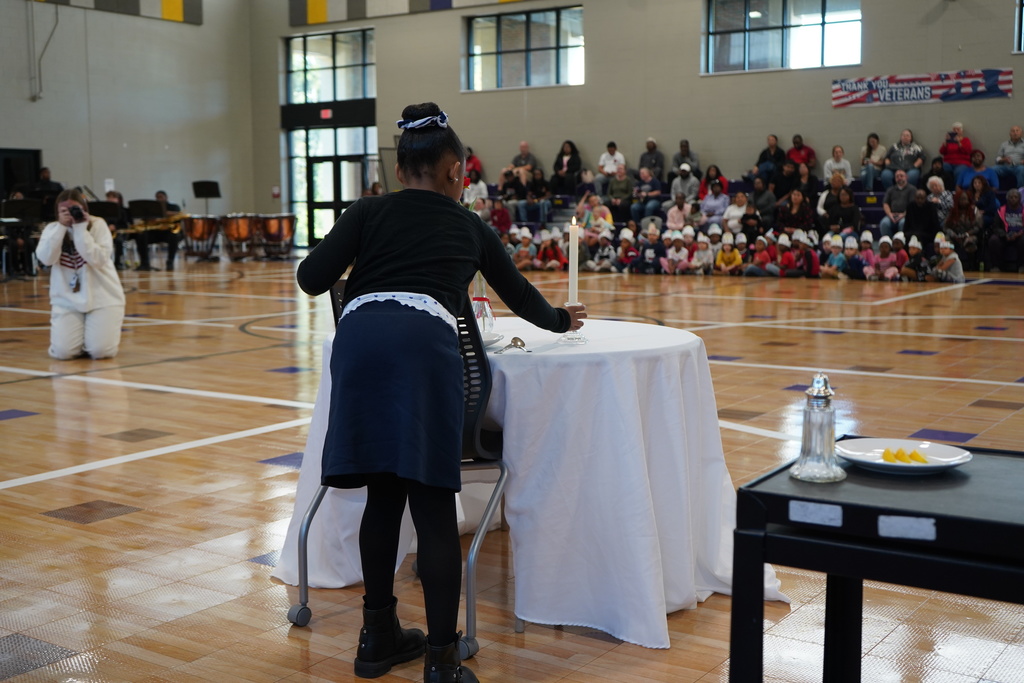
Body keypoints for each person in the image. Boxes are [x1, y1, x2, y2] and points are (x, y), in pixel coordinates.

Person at [295, 103, 585, 683]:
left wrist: (356, 238)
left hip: (358, 346)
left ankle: (376, 638)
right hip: (420, 352)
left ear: (400, 171)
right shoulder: (469, 225)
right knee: (431, 507)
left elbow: (310, 278)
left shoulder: (367, 211)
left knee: (382, 497)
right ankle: (442, 658)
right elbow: (519, 297)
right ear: (457, 173)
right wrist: (562, 320)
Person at [34, 189, 125, 360]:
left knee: (101, 352)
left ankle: (90, 340)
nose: (71, 214)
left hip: (103, 297)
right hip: (67, 300)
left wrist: (81, 229)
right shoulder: (52, 229)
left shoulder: (98, 225)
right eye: (64, 210)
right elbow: (46, 259)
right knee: (63, 353)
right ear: (57, 212)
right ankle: (82, 340)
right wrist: (61, 227)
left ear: (84, 208)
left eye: (74, 209)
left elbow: (97, 259)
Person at [989, 188, 1024, 272]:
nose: (1013, 199)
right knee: (993, 240)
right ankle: (996, 266)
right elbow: (995, 227)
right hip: (1005, 235)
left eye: (1015, 197)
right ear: (1007, 199)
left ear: (1019, 199)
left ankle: (1022, 266)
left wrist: (1019, 234)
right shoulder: (1001, 210)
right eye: (1011, 197)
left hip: (1019, 235)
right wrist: (1004, 235)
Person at [880, 170, 916, 237]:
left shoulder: (912, 189)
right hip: (892, 215)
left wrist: (903, 215)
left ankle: (901, 244)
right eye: (897, 176)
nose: (899, 178)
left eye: (901, 176)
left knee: (903, 223)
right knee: (884, 223)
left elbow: (912, 206)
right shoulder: (890, 189)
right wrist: (890, 214)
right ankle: (888, 244)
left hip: (906, 216)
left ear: (906, 177)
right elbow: (885, 204)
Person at [993, 125, 1024, 190]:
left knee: (1021, 169)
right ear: (1010, 134)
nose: (1015, 133)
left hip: (1019, 166)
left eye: (1017, 131)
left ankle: (1021, 191)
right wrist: (1003, 159)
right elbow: (997, 159)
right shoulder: (1004, 144)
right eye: (1013, 131)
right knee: (993, 169)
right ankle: (995, 189)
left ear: (1021, 133)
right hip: (1006, 167)